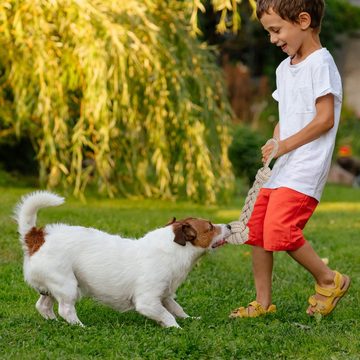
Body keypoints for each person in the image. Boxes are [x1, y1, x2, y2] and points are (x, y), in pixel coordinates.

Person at [230, 0, 350, 318]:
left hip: (305, 167)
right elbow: (286, 117)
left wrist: (286, 146)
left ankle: (329, 280)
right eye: (269, 32)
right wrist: (276, 140)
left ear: (303, 20)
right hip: (284, 165)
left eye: (276, 30)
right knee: (256, 230)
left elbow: (324, 120)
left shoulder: (321, 64)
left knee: (281, 230)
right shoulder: (285, 69)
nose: (273, 39)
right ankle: (263, 303)